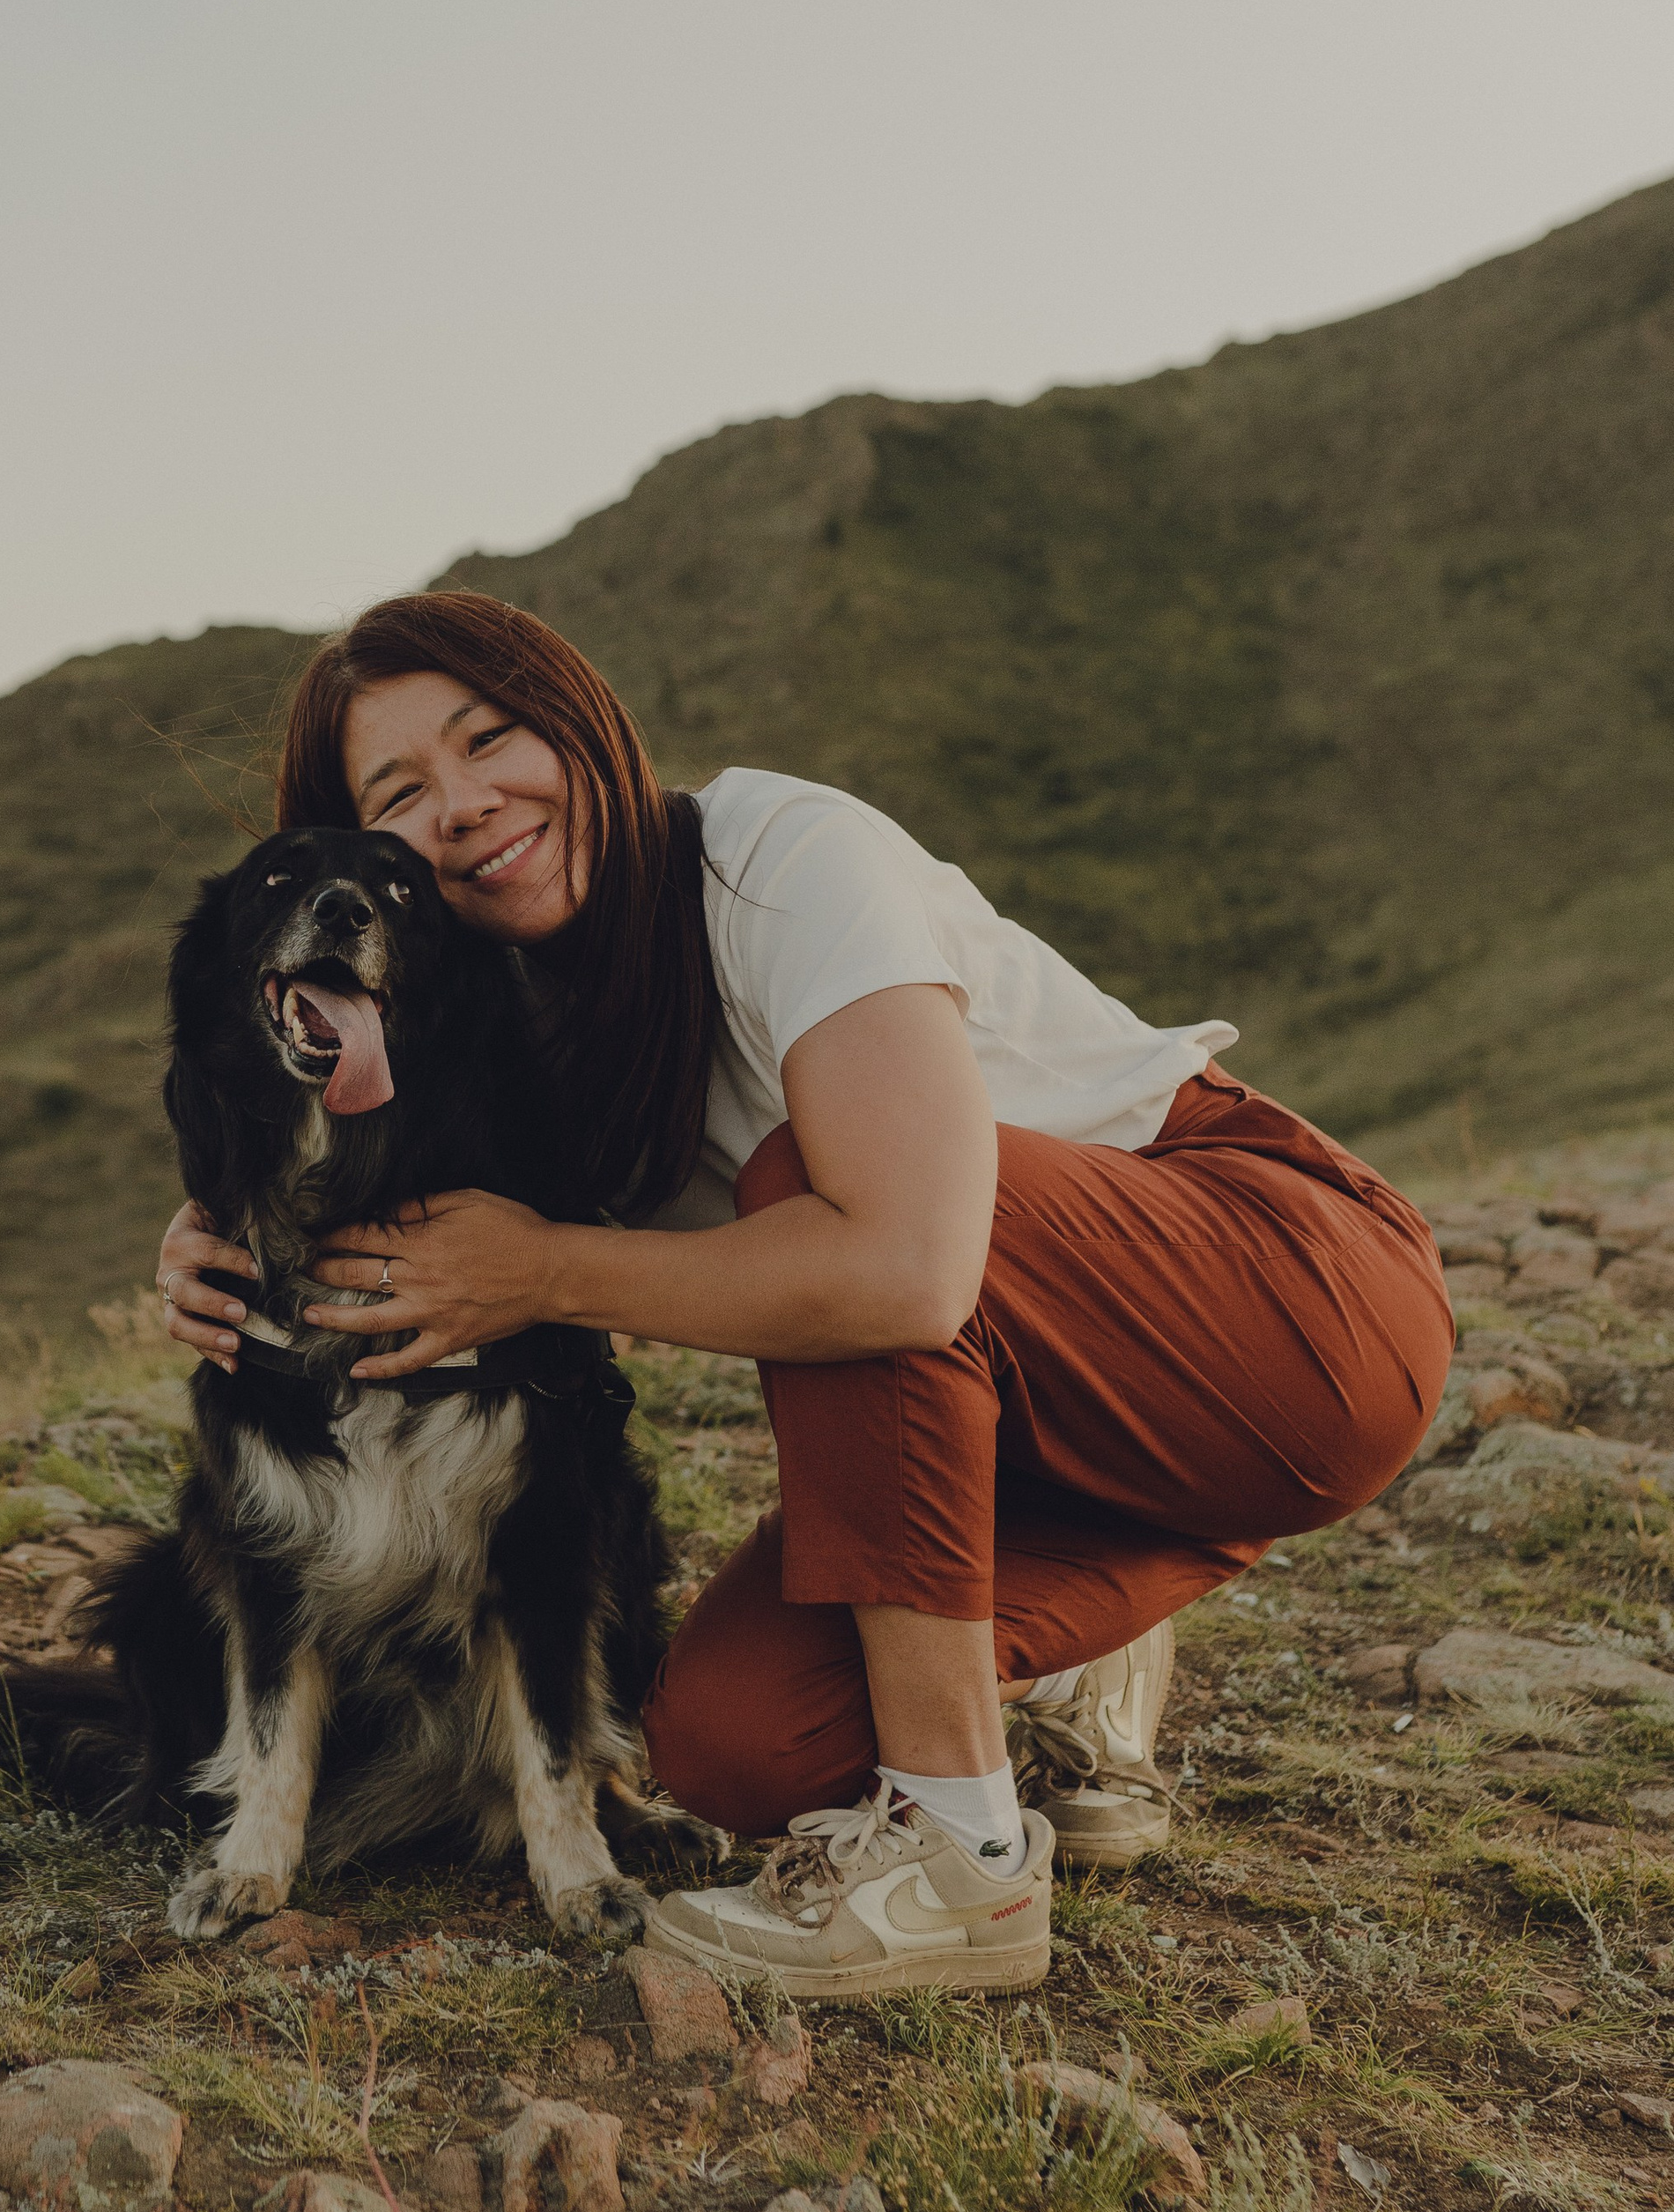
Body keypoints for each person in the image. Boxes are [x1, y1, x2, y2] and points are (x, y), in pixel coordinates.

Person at [155, 590, 1451, 1999]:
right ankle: (1090, 1656)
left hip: (1294, 1297)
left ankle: (961, 1858)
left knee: (822, 1201)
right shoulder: (508, 1022)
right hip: (1063, 1424)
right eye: (400, 793)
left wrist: (543, 1268)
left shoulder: (780, 859)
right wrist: (228, 1227)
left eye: (488, 740)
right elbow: (373, 1152)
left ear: (580, 722)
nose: (461, 805)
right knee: (733, 1740)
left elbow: (903, 1265)